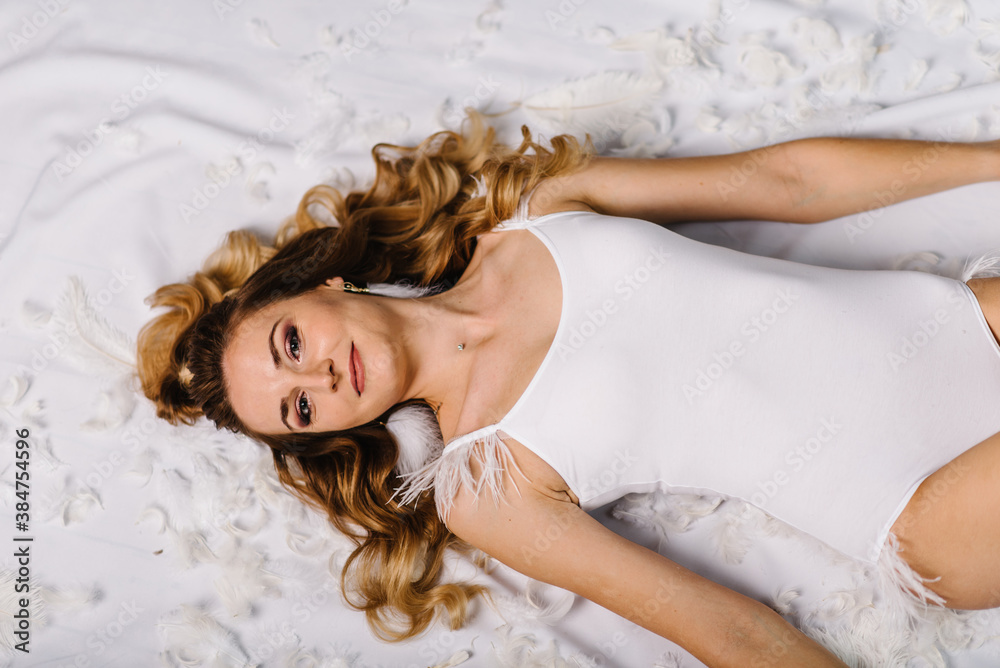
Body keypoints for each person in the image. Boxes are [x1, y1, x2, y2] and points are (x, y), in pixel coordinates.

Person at [137, 113, 1000, 667]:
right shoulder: (487, 490)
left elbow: (783, 182)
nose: (318, 377)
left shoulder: (541, 215)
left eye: (291, 344)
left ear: (321, 287)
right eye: (299, 409)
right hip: (921, 510)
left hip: (971, 321)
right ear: (331, 430)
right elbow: (720, 628)